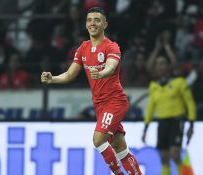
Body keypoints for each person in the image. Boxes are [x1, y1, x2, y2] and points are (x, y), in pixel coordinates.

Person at [41, 7, 142, 175]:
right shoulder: (83, 48)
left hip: (115, 101)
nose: (92, 23)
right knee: (119, 147)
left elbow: (111, 67)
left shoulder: (111, 46)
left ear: (105, 24)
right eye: (89, 20)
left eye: (97, 20)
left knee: (98, 139)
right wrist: (53, 78)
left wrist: (101, 72)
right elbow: (69, 74)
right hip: (100, 105)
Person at [142, 55, 196, 175]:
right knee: (164, 157)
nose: (160, 66)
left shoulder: (180, 82)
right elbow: (151, 108)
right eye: (157, 64)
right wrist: (145, 127)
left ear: (168, 66)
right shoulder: (154, 86)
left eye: (162, 63)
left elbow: (190, 103)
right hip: (162, 123)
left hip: (176, 121)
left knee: (175, 154)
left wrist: (191, 124)